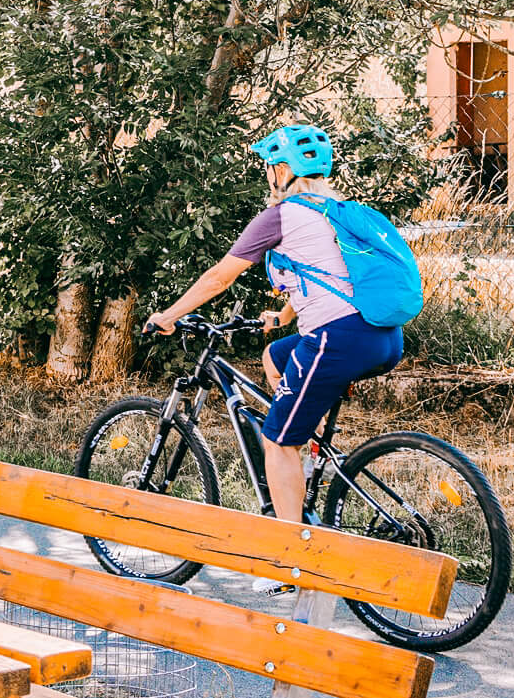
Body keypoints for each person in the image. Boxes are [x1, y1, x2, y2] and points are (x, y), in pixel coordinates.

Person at [145, 124, 405, 536]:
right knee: (276, 356)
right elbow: (338, 275)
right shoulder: (336, 211)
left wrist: (169, 315)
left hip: (338, 339)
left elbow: (219, 278)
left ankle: (289, 555)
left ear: (282, 171)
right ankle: (312, 454)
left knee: (276, 441)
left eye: (270, 167)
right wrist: (284, 316)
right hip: (384, 337)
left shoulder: (280, 215)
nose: (268, 174)